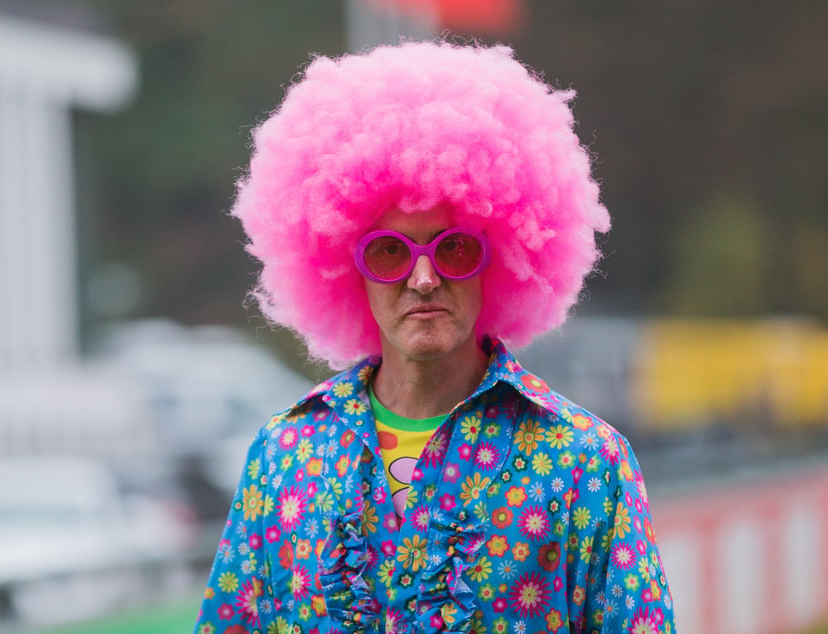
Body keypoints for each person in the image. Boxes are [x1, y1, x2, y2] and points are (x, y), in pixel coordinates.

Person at [193, 41, 675, 634]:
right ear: (345, 267)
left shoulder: (583, 462)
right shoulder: (284, 456)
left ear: (500, 258)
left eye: (453, 247)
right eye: (390, 251)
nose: (424, 277)